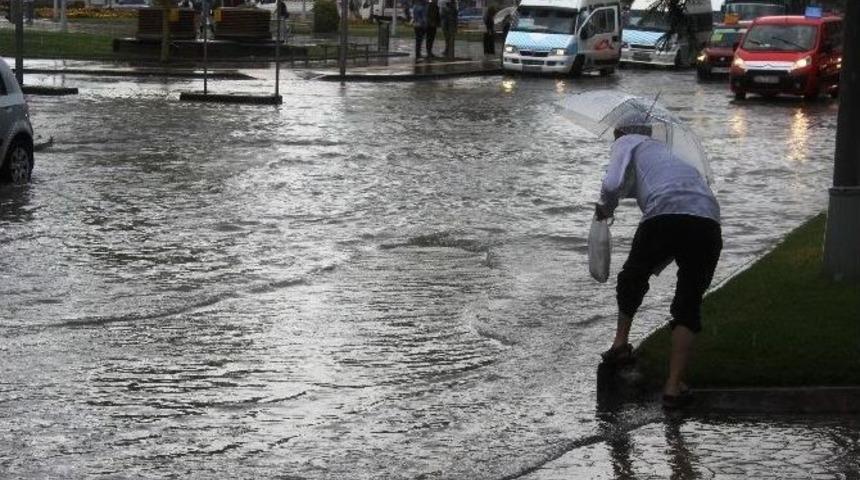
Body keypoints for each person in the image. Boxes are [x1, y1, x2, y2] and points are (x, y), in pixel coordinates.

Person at [596, 123, 722, 410]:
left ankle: (620, 345)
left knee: (633, 277)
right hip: (708, 221)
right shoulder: (670, 153)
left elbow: (613, 183)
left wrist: (605, 207)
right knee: (688, 302)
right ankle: (673, 387)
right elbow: (643, 185)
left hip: (665, 213)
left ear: (620, 132)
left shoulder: (626, 143)